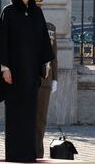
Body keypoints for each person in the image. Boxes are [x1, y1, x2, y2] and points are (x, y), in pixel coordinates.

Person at [0, 0, 54, 162]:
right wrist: (4, 68)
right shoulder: (9, 11)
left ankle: (29, 154)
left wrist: (45, 63)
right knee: (16, 114)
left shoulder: (36, 12)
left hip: (31, 71)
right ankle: (15, 154)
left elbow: (43, 40)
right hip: (14, 72)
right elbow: (2, 42)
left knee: (30, 114)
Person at [36, 21, 58, 158]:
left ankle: (38, 153)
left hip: (44, 79)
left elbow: (53, 55)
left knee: (40, 118)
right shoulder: (21, 24)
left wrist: (55, 78)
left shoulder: (50, 28)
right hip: (25, 79)